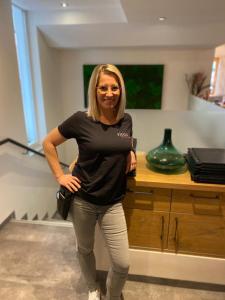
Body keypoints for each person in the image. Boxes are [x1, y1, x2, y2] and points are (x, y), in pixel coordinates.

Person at [42, 64, 136, 300]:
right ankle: (93, 287)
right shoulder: (80, 119)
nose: (109, 93)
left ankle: (114, 296)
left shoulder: (126, 119)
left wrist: (131, 152)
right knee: (85, 249)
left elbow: (122, 143)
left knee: (122, 264)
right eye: (103, 87)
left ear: (121, 90)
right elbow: (48, 143)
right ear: (94, 90)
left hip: (113, 202)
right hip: (83, 200)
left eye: (114, 87)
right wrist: (60, 176)